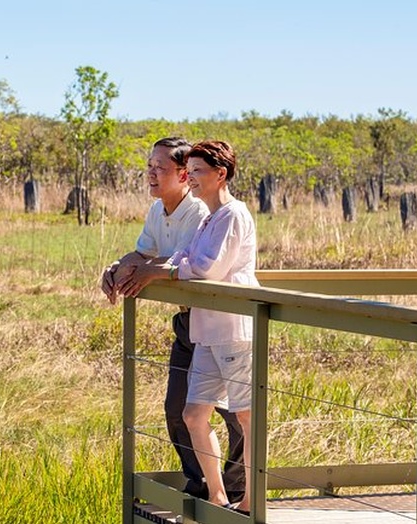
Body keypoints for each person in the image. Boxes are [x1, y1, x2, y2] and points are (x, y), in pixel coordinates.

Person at [117, 140, 258, 515]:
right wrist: (133, 266)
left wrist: (159, 270)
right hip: (204, 328)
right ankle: (216, 495)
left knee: (244, 414)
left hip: (233, 326)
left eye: (197, 172)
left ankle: (250, 497)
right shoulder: (210, 217)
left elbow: (207, 267)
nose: (191, 179)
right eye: (190, 172)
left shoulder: (233, 214)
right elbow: (183, 256)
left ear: (220, 174)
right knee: (194, 414)